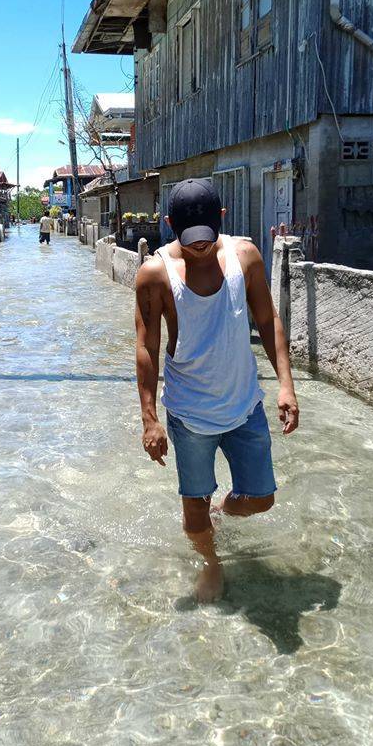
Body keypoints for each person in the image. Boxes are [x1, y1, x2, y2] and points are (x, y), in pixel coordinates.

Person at [135, 178, 299, 603]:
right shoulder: (154, 273)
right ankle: (211, 562)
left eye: (206, 239)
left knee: (262, 498)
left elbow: (269, 321)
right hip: (190, 416)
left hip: (244, 406)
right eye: (190, 241)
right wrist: (150, 419)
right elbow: (147, 348)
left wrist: (286, 385)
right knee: (193, 506)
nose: (200, 248)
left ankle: (221, 511)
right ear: (169, 225)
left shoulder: (245, 257)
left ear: (221, 221)